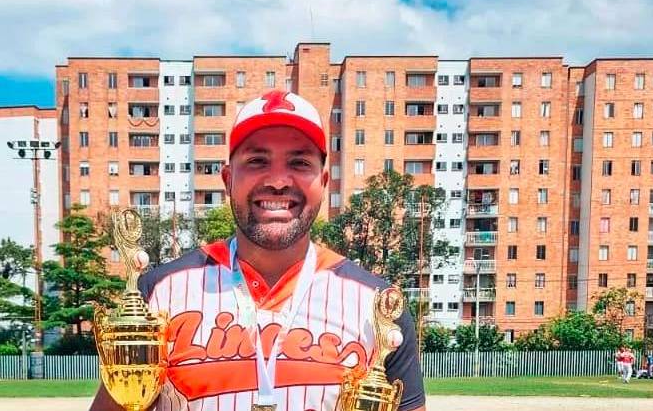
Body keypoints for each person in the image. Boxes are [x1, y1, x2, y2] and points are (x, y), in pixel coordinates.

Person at [89, 91, 426, 411]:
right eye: (257, 160)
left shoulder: (377, 305)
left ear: (323, 182)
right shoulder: (160, 293)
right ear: (227, 179)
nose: (278, 180)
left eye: (298, 162)